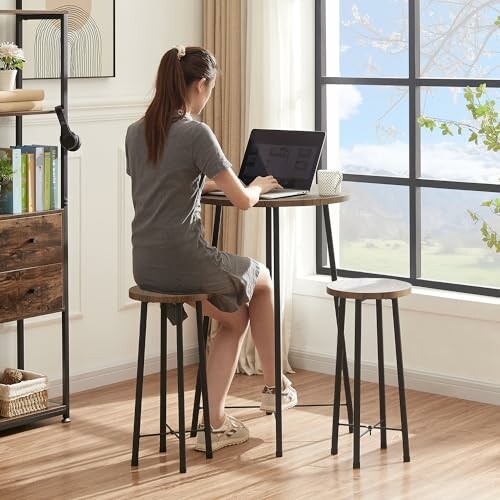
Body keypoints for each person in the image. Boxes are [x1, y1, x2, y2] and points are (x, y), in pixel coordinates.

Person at [125, 45, 297, 452]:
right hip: (186, 260)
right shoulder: (194, 132)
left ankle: (215, 424)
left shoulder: (137, 131)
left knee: (234, 320)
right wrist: (255, 185)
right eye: (210, 90)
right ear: (200, 85)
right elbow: (243, 201)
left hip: (147, 265)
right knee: (265, 281)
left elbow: (166, 185)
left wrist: (213, 181)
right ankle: (274, 387)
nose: (208, 97)